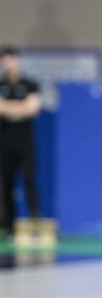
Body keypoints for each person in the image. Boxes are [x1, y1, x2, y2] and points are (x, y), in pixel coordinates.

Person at [0, 47, 42, 236]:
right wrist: (20, 108)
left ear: (17, 60)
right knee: (6, 185)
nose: (8, 63)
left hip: (25, 143)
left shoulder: (30, 84)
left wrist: (9, 108)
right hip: (4, 144)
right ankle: (10, 227)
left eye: (11, 58)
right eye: (4, 59)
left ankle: (34, 222)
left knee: (29, 180)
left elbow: (32, 108)